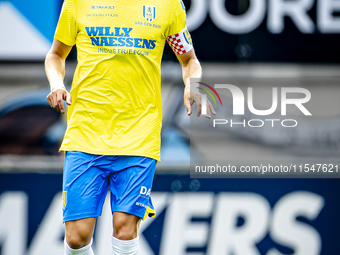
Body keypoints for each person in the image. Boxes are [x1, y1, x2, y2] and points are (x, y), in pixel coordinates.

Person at [45, 0, 215, 254]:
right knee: (77, 237)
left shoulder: (167, 6)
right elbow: (56, 55)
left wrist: (193, 84)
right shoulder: (78, 3)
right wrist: (57, 84)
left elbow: (189, 60)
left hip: (139, 133)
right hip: (86, 131)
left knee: (125, 229)